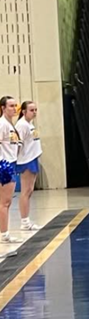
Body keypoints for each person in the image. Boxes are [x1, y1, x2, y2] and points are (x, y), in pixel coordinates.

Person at [14, 101, 42, 233]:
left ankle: (27, 220)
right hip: (26, 160)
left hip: (32, 158)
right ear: (24, 111)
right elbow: (17, 144)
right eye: (31, 110)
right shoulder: (21, 125)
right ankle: (24, 222)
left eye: (35, 109)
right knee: (26, 191)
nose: (34, 112)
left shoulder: (30, 124)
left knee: (29, 191)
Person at [0, 97, 22, 243]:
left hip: (11, 163)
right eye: (11, 106)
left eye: (15, 106)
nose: (14, 109)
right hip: (4, 165)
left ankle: (4, 232)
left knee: (6, 202)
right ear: (3, 108)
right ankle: (4, 234)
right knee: (4, 202)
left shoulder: (10, 124)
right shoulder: (2, 124)